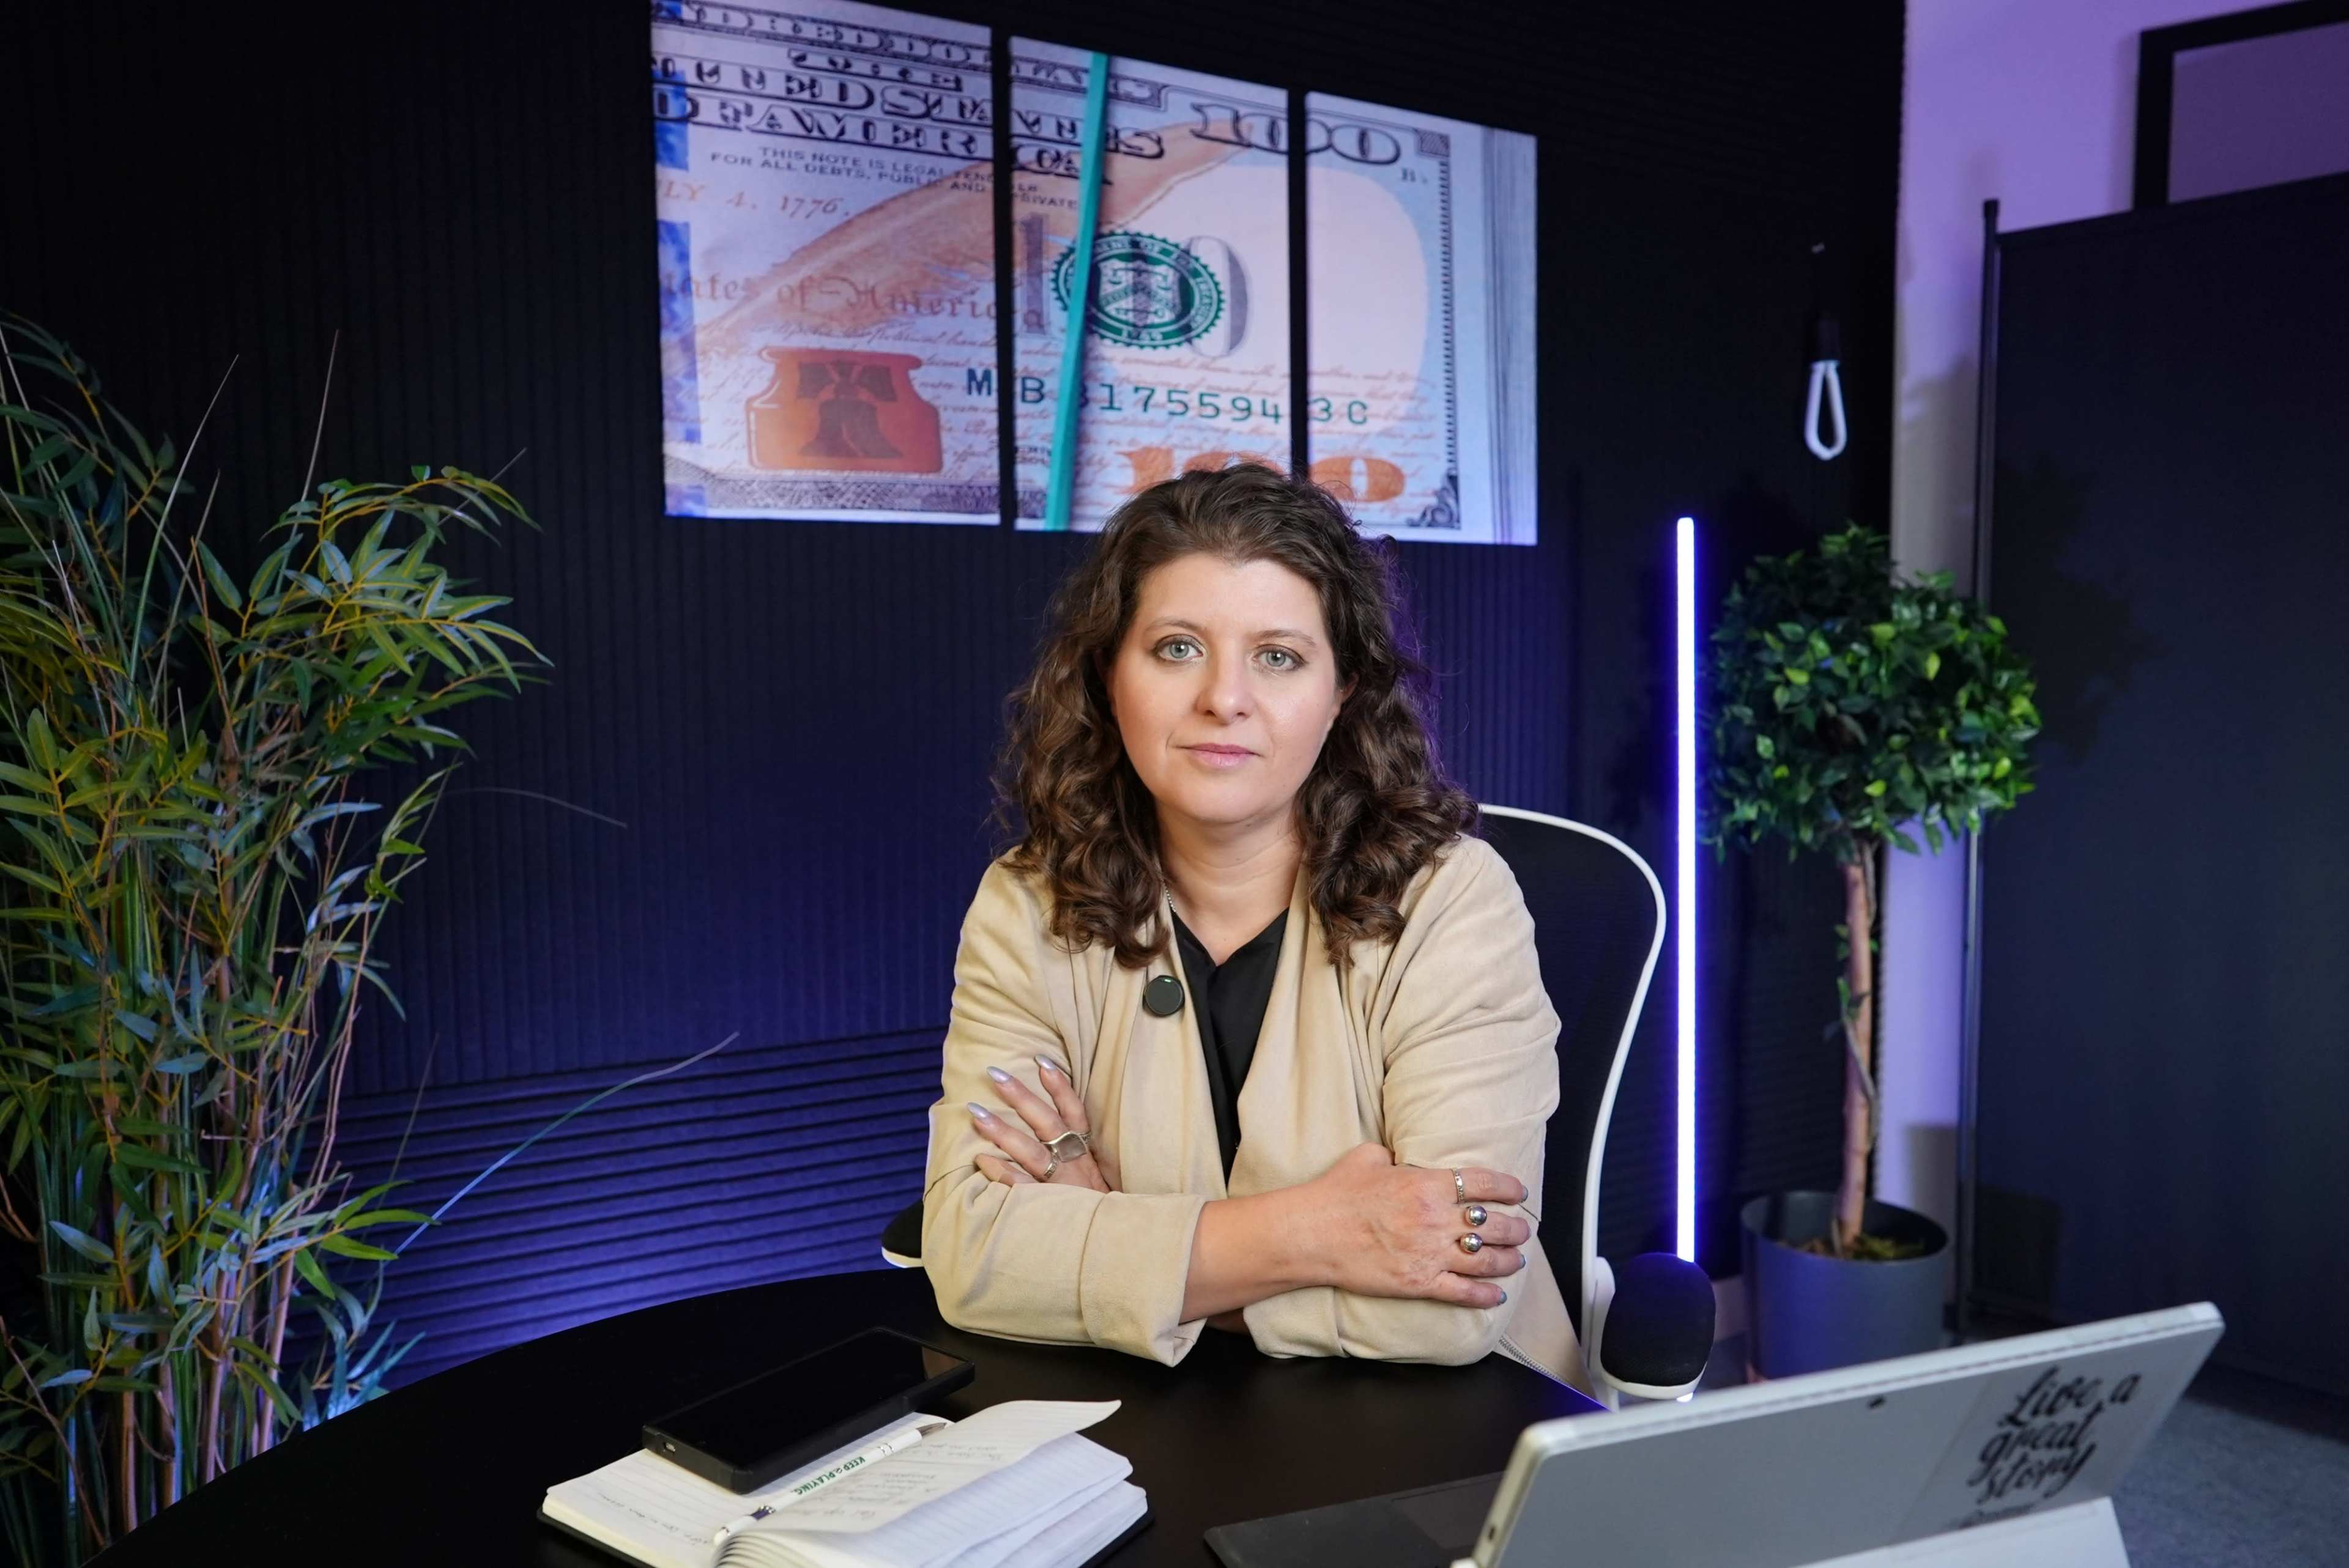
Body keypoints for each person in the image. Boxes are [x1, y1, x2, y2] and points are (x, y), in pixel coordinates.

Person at [919, 464, 1578, 1387]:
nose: (1224, 698)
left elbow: (1454, 1298)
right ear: (1110, 675)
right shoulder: (1026, 905)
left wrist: (1109, 1247)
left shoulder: (1454, 900)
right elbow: (971, 1257)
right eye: (1178, 647)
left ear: (1343, 690)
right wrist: (1330, 1233)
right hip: (1145, 1438)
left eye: (1278, 656)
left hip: (1445, 1436)